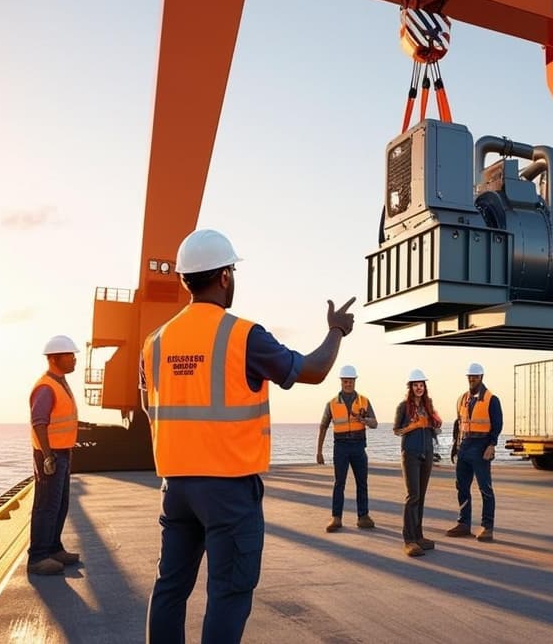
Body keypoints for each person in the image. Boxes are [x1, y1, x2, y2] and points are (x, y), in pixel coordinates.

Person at [141, 228, 356, 644]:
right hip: (228, 490)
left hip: (176, 487)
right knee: (228, 592)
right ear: (224, 277)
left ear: (185, 279)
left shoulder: (155, 342)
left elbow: (152, 407)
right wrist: (336, 332)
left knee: (169, 588)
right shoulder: (243, 336)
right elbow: (312, 371)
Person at [26, 334, 82, 576]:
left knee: (60, 504)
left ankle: (54, 548)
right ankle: (38, 558)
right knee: (46, 506)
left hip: (62, 453)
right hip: (50, 456)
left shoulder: (61, 382)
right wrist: (48, 456)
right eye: (70, 356)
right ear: (55, 358)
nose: (74, 360)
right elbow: (39, 423)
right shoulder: (46, 387)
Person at [316, 364, 378, 532]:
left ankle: (363, 516)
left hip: (358, 446)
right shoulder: (331, 403)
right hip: (341, 447)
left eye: (350, 381)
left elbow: (375, 424)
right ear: (341, 382)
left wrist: (365, 420)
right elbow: (323, 427)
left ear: (354, 381)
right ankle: (336, 518)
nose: (348, 383)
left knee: (362, 482)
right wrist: (319, 451)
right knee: (339, 483)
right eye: (345, 381)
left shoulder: (364, 401)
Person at [446, 363, 502, 543]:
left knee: (485, 489)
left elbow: (497, 424)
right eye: (470, 377)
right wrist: (455, 446)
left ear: (481, 377)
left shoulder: (491, 399)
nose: (472, 379)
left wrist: (492, 445)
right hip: (464, 447)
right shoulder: (462, 399)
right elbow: (459, 423)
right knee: (461, 486)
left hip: (481, 447)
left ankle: (487, 526)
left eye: (475, 377)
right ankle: (463, 523)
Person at [392, 369, 441, 557]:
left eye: (421, 385)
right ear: (410, 387)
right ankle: (409, 539)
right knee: (412, 496)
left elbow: (432, 428)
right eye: (415, 385)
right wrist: (412, 426)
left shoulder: (428, 405)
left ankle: (419, 536)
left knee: (421, 496)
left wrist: (434, 425)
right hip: (410, 453)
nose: (419, 388)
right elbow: (396, 430)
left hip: (427, 452)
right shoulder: (403, 407)